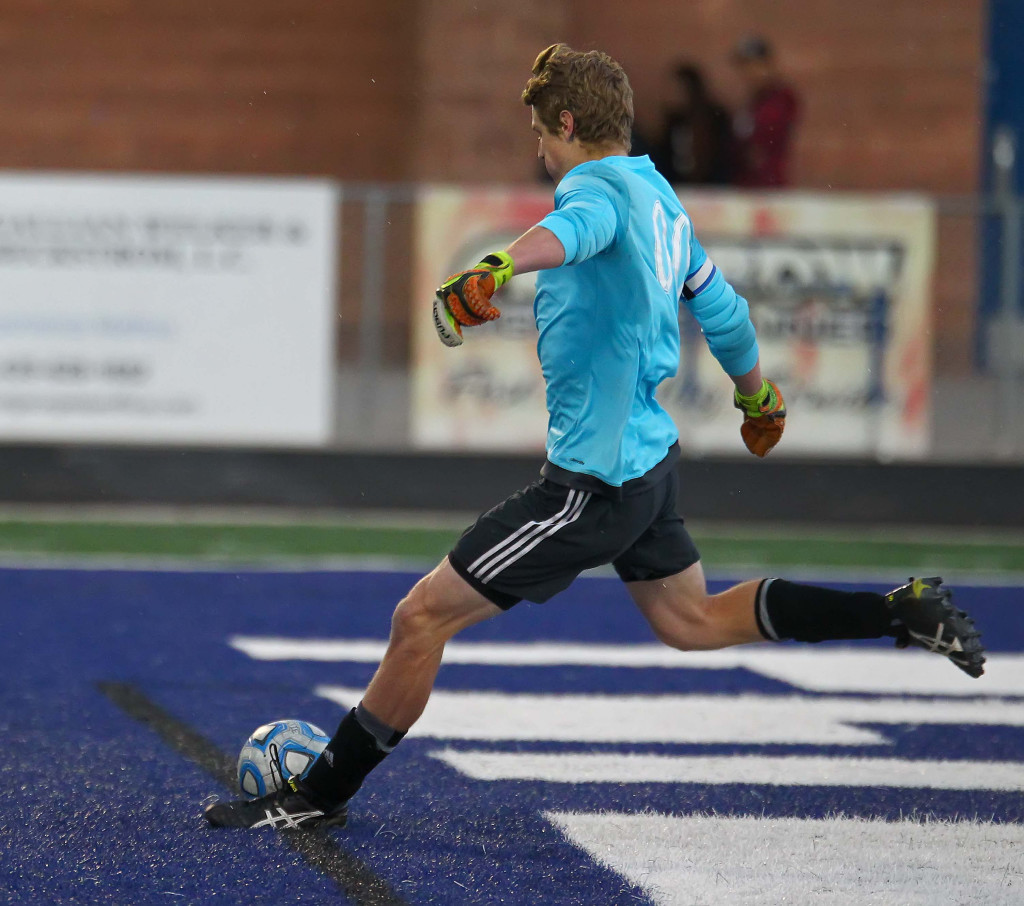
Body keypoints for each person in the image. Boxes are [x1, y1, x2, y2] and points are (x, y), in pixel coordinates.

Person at [205, 44, 985, 830]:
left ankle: (317, 795)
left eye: (540, 134)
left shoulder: (597, 191)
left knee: (420, 618)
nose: (539, 150)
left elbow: (573, 231)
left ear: (568, 124)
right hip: (647, 463)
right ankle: (898, 612)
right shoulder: (661, 199)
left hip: (594, 487)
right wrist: (758, 397)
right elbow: (725, 312)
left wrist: (496, 268)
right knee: (692, 622)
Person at [731, 35, 800, 187]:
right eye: (744, 67)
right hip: (746, 184)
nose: (749, 73)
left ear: (767, 65)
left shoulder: (780, 99)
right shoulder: (751, 101)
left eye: (754, 66)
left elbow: (765, 138)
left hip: (768, 185)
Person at [656, 63, 734, 185]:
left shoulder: (715, 118)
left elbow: (724, 156)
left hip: (714, 187)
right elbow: (664, 159)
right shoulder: (673, 123)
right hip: (680, 186)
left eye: (674, 89)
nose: (668, 93)